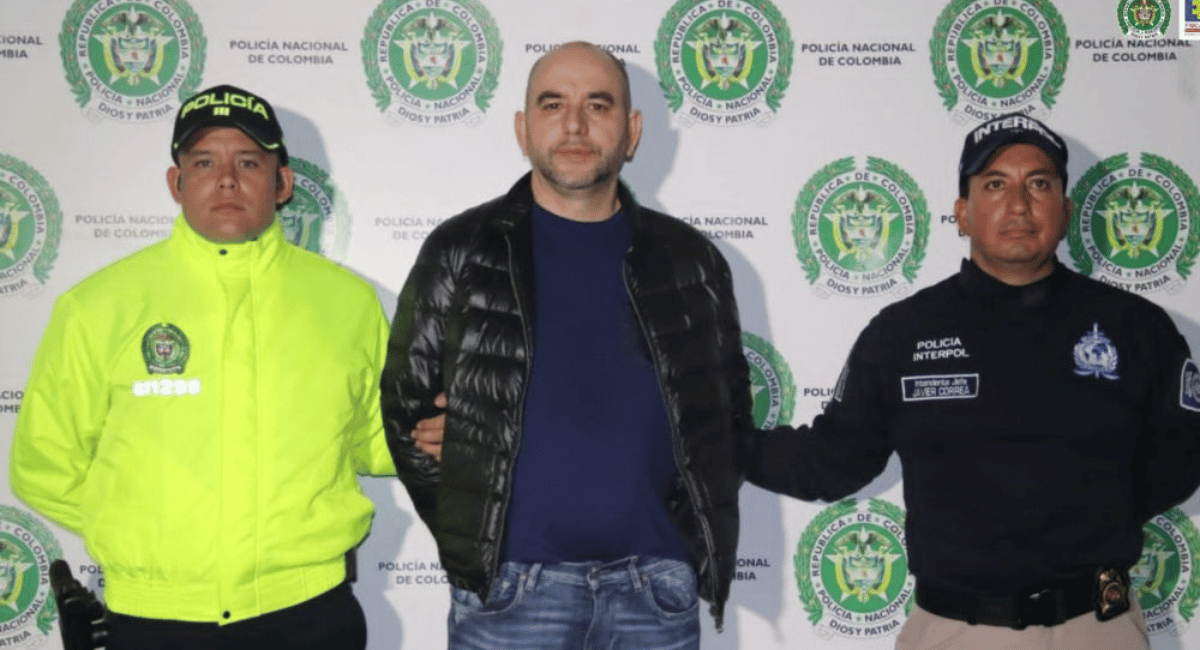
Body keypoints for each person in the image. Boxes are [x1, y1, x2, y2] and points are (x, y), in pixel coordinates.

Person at [742, 113, 1200, 649]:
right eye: (995, 184)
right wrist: (717, 443)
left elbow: (1181, 459)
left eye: (1039, 184)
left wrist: (1087, 509)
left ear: (1066, 210)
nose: (1019, 204)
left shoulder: (1137, 328)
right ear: (962, 213)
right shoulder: (902, 334)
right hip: (955, 631)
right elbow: (832, 463)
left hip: (1096, 630)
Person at [380, 42, 752, 649]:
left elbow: (728, 421)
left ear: (632, 132)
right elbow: (406, 413)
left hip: (656, 598)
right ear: (523, 129)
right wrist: (478, 538)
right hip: (508, 599)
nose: (574, 125)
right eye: (552, 105)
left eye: (597, 106)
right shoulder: (461, 250)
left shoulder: (693, 261)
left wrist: (679, 549)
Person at [9, 84, 395, 650]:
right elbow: (43, 464)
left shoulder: (348, 303)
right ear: (177, 183)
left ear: (283, 183)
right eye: (204, 162)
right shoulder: (97, 306)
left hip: (310, 613)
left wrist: (445, 436)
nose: (228, 180)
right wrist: (143, 537)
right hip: (153, 620)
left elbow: (377, 440)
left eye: (249, 162)